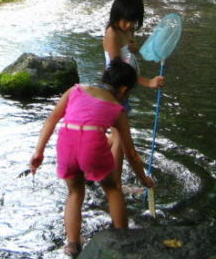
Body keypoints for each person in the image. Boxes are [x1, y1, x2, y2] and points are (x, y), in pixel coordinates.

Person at [29, 59, 155, 258]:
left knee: (74, 194)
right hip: (92, 148)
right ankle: (123, 239)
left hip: (67, 145)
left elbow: (51, 119)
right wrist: (144, 179)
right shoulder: (117, 109)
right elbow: (131, 153)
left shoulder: (75, 91)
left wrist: (39, 152)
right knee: (113, 189)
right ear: (123, 90)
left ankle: (72, 245)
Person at [103, 0, 164, 189]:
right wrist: (148, 83)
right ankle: (116, 184)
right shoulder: (112, 34)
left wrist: (135, 48)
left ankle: (91, 159)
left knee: (115, 137)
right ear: (116, 15)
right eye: (125, 21)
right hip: (115, 92)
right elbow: (118, 71)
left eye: (133, 22)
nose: (129, 26)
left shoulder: (128, 31)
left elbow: (128, 52)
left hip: (125, 91)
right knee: (120, 141)